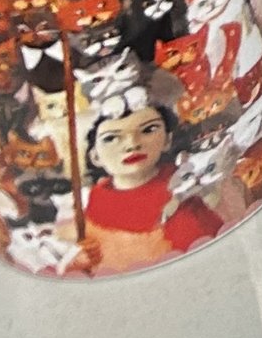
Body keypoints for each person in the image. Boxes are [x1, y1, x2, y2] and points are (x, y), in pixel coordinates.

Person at [79, 91, 219, 272]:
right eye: (111, 138)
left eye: (148, 130)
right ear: (95, 156)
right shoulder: (92, 205)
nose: (132, 144)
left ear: (167, 139)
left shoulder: (188, 188)